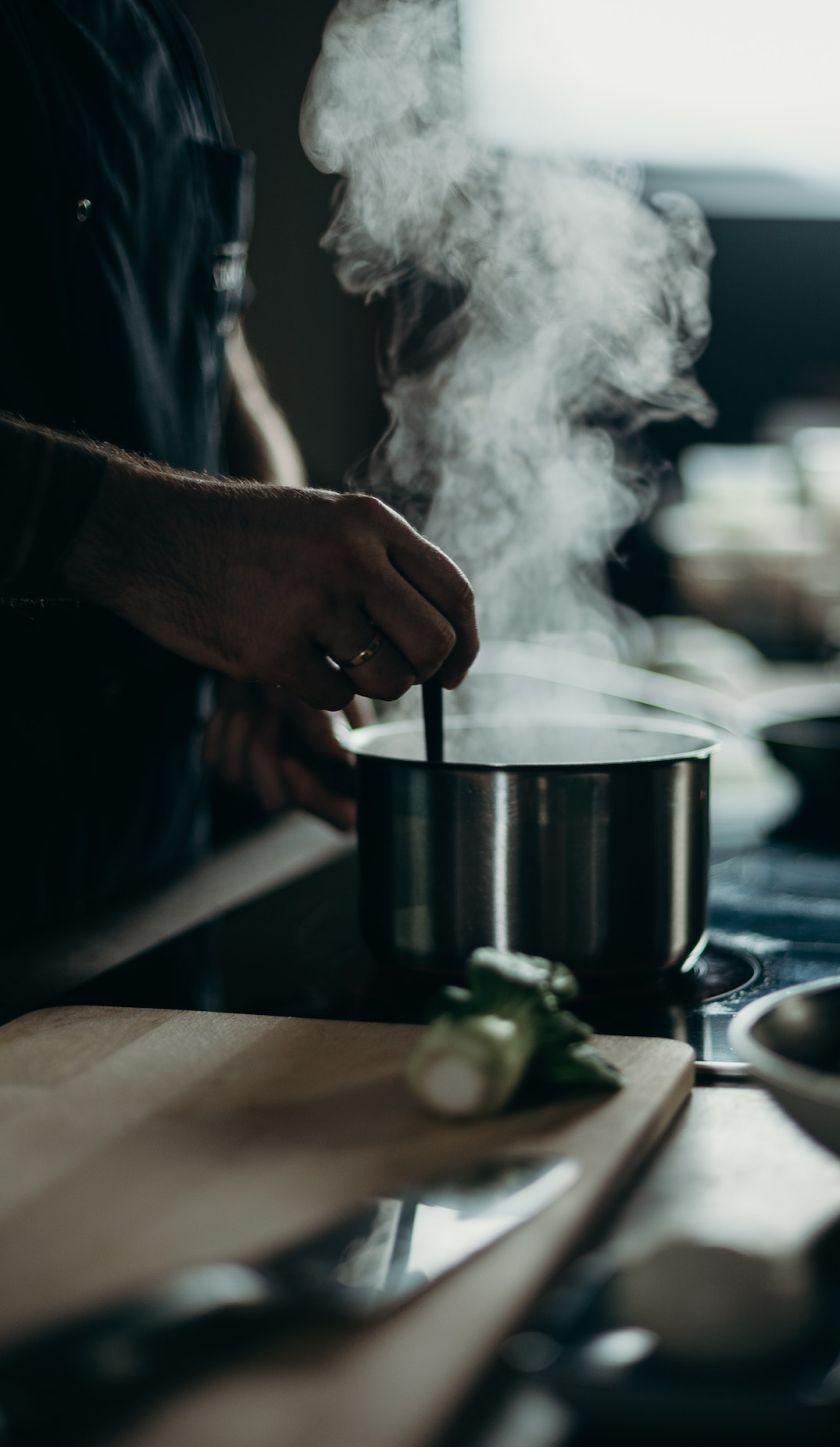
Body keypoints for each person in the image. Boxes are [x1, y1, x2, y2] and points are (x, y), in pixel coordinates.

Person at [0, 0, 478, 945]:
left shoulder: (147, 30)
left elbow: (214, 338)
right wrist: (165, 546)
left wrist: (268, 612)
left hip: (140, 869)